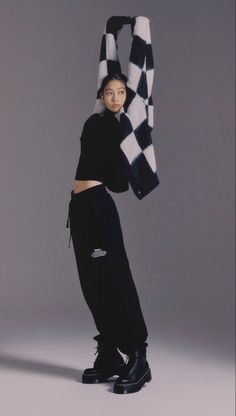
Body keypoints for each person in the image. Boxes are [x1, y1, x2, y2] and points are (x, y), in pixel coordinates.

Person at [66, 73, 152, 394]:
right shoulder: (93, 123)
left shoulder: (122, 129)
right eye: (109, 92)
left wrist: (124, 141)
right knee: (92, 283)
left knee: (115, 279)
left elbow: (119, 185)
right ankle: (110, 354)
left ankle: (138, 355)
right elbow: (87, 159)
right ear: (101, 95)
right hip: (79, 207)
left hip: (100, 209)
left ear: (126, 98)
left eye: (120, 93)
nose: (115, 98)